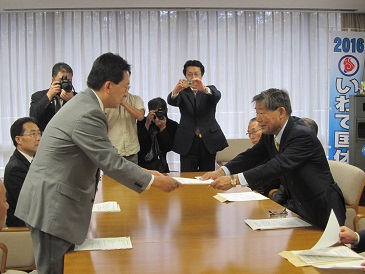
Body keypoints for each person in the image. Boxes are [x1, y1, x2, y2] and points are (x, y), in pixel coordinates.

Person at [15, 52, 182, 274]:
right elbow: (110, 163)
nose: (127, 93)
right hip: (52, 207)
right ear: (108, 86)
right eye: (126, 86)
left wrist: (147, 171)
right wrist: (154, 182)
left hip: (55, 202)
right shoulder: (88, 112)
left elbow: (107, 154)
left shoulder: (85, 103)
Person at [201, 88, 346, 230]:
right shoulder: (270, 133)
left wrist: (234, 180)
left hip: (323, 205)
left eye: (262, 113)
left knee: (326, 250)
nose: (258, 119)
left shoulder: (302, 135)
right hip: (299, 204)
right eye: (257, 113)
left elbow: (278, 165)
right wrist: (222, 171)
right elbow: (251, 156)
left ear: (281, 112)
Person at [167, 60, 228, 172]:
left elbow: (217, 96)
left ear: (201, 75)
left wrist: (203, 88)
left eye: (196, 74)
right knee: (187, 175)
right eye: (190, 74)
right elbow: (171, 101)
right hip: (188, 141)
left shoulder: (209, 90)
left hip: (208, 140)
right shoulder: (182, 92)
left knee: (208, 174)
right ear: (185, 76)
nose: (193, 77)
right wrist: (176, 90)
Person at [271, 117, 319, 206]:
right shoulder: (292, 155)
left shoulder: (311, 162)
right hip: (293, 205)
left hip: (310, 207)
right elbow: (285, 186)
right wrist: (273, 206)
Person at [4, 117, 41, 227]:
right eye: (33, 134)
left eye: (39, 133)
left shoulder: (32, 161)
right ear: (18, 139)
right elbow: (31, 203)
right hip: (23, 228)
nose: (38, 138)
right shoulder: (16, 169)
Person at [30, 62, 77, 131]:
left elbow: (84, 118)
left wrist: (72, 100)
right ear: (53, 80)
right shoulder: (38, 96)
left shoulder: (76, 97)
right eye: (62, 80)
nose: (65, 83)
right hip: (45, 135)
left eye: (68, 81)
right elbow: (33, 117)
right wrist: (48, 96)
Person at [105, 86, 145, 164]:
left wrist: (122, 102)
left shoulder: (135, 99)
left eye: (127, 87)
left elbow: (140, 116)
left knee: (133, 175)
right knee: (111, 176)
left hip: (132, 149)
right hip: (113, 149)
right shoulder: (107, 100)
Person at [137, 97, 178, 172]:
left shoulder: (172, 125)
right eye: (155, 112)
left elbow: (168, 147)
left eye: (160, 111)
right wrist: (147, 125)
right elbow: (139, 144)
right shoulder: (142, 122)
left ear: (166, 111)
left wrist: (163, 128)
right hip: (142, 164)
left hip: (161, 165)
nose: (158, 114)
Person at [245, 117, 281, 197]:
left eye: (254, 132)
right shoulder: (252, 154)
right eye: (249, 133)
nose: (251, 137)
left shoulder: (273, 153)